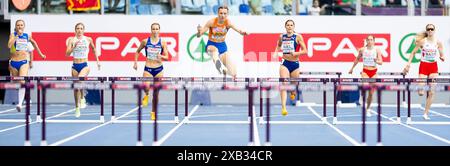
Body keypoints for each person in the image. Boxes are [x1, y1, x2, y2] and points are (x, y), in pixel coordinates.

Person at [403, 24, 445, 120]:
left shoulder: (438, 42)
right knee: (421, 92)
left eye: (432, 29)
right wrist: (408, 64)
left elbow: (442, 54)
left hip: (433, 67)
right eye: (428, 29)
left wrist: (442, 57)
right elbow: (413, 52)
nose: (430, 30)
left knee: (432, 92)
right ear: (426, 31)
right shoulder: (422, 41)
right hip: (423, 66)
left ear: (434, 30)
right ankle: (420, 88)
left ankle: (425, 113)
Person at [196, 6, 248, 78]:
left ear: (227, 14)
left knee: (234, 73)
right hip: (211, 44)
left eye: (224, 13)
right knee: (215, 52)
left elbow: (239, 31)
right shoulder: (211, 22)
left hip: (222, 46)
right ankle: (220, 67)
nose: (223, 15)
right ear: (218, 13)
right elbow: (199, 35)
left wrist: (243, 32)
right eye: (221, 13)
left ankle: (225, 71)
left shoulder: (228, 23)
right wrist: (199, 32)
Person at [8, 19, 46, 112]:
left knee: (22, 81)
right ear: (16, 27)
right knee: (15, 83)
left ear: (24, 27)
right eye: (18, 25)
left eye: (21, 25)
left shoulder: (27, 36)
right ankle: (24, 95)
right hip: (13, 62)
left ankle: (20, 104)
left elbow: (34, 43)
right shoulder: (13, 35)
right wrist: (16, 36)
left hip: (23, 62)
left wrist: (41, 54)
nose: (20, 27)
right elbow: (9, 46)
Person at [134, 23, 169, 120]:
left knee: (156, 93)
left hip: (159, 69)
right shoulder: (145, 41)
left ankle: (153, 112)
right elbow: (137, 51)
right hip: (148, 68)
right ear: (151, 30)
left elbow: (167, 57)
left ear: (159, 30)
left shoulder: (163, 43)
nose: (155, 31)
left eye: (157, 29)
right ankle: (146, 94)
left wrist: (161, 56)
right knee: (146, 86)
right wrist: (135, 63)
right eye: (153, 29)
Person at [65, 22, 101, 118]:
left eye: (81, 28)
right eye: (78, 28)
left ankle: (82, 97)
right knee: (76, 88)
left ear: (84, 30)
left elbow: (93, 49)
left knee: (81, 79)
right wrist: (73, 47)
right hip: (75, 66)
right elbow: (67, 54)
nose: (79, 30)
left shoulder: (88, 39)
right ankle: (77, 108)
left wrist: (98, 61)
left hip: (85, 65)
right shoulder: (71, 40)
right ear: (75, 30)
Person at [273, 19, 307, 116]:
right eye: (288, 25)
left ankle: (292, 92)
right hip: (285, 63)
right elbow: (278, 45)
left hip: (295, 64)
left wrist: (296, 53)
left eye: (291, 25)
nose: (289, 27)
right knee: (284, 84)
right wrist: (276, 52)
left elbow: (305, 51)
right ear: (285, 26)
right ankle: (283, 107)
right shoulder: (282, 36)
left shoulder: (298, 37)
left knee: (293, 86)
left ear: (293, 27)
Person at [348, 35, 383, 117]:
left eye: (371, 40)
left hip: (374, 72)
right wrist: (352, 68)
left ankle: (368, 109)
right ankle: (361, 94)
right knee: (365, 86)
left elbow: (381, 62)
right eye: (368, 40)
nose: (370, 41)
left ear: (374, 41)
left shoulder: (377, 50)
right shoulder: (363, 50)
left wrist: (376, 61)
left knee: (371, 93)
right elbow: (357, 59)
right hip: (365, 71)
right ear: (366, 41)